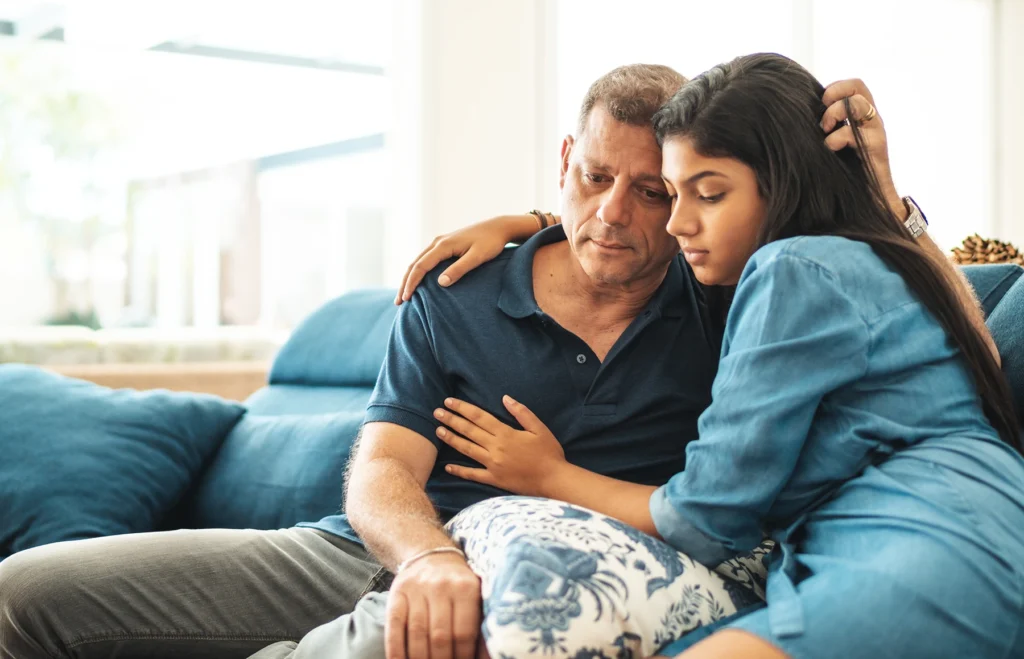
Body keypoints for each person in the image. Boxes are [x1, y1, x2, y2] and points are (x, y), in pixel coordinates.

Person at [0, 63, 738, 659]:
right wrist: (426, 558)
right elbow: (381, 471)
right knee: (23, 592)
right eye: (596, 177)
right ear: (565, 160)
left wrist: (862, 140)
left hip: (527, 589)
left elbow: (828, 230)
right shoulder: (456, 289)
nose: (613, 213)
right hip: (372, 550)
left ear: (685, 199)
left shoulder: (721, 309)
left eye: (650, 192)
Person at [406, 53, 1024, 659]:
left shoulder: (793, 271)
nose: (676, 222)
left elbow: (705, 517)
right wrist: (530, 223)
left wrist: (548, 477)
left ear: (779, 185)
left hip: (924, 545)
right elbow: (981, 357)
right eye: (670, 193)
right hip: (916, 537)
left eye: (706, 194)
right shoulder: (844, 262)